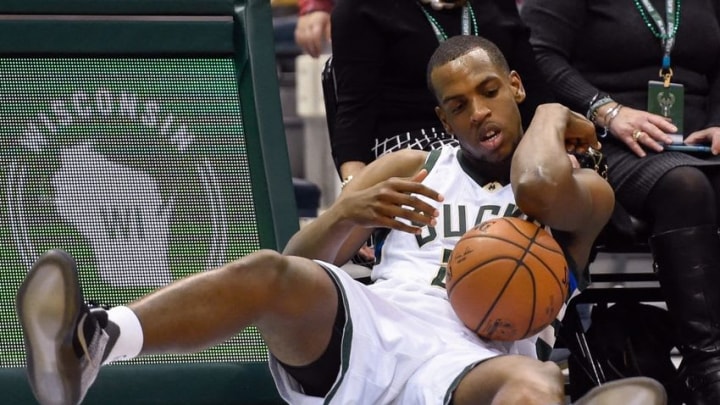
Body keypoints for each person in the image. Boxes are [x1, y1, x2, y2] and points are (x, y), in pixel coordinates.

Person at [17, 36, 661, 405]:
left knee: (530, 383)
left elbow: (538, 184)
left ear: (516, 86)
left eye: (491, 91)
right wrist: (346, 212)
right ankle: (93, 341)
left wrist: (554, 113)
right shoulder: (412, 163)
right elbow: (302, 262)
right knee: (271, 272)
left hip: (483, 349)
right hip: (378, 324)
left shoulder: (586, 191)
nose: (479, 113)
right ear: (444, 120)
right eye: (459, 105)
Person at [520, 1, 720, 403]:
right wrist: (605, 110)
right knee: (684, 185)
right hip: (607, 144)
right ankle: (709, 373)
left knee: (690, 177)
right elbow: (537, 54)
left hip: (700, 140)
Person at [329, 0, 553, 186]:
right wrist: (352, 198)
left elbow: (535, 94)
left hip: (498, 135)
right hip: (410, 141)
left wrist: (553, 144)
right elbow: (354, 113)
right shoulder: (360, 8)